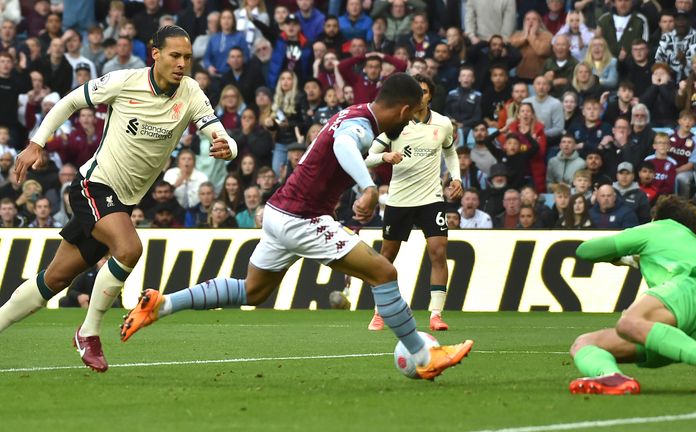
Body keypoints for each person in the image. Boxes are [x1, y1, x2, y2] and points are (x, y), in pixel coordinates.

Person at [120, 73, 474, 380]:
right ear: (402, 110)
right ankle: (424, 356)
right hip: (302, 218)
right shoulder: (360, 127)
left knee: (254, 291)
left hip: (279, 211)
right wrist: (367, 187)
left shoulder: (353, 113)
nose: (411, 123)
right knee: (383, 271)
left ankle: (162, 304)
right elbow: (345, 143)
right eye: (412, 115)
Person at [0, 26, 238, 373]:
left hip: (121, 202)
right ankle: (89, 332)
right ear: (155, 54)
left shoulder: (190, 92)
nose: (182, 64)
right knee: (129, 249)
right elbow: (69, 101)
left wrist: (227, 148)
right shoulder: (124, 82)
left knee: (54, 280)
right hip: (93, 186)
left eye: (187, 57)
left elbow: (220, 133)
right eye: (175, 55)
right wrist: (38, 143)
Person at [569, 195, 696, 396]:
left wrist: (622, 256)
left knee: (629, 322)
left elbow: (586, 251)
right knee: (585, 342)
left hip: (689, 287)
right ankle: (611, 377)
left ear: (656, 218)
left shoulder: (659, 227)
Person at [364, 75, 461, 332]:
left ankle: (436, 315)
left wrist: (456, 176)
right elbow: (367, 157)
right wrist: (385, 156)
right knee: (386, 257)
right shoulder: (396, 124)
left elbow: (450, 151)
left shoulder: (442, 124)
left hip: (431, 198)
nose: (421, 96)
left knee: (439, 253)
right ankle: (379, 313)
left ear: (430, 96)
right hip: (400, 200)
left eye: (425, 92)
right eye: (417, 92)